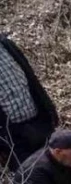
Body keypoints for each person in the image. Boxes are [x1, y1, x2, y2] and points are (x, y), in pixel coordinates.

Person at [0, 34, 58, 172]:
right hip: (12, 136)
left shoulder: (6, 45)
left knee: (60, 169)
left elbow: (31, 78)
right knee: (32, 178)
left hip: (39, 121)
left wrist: (49, 109)